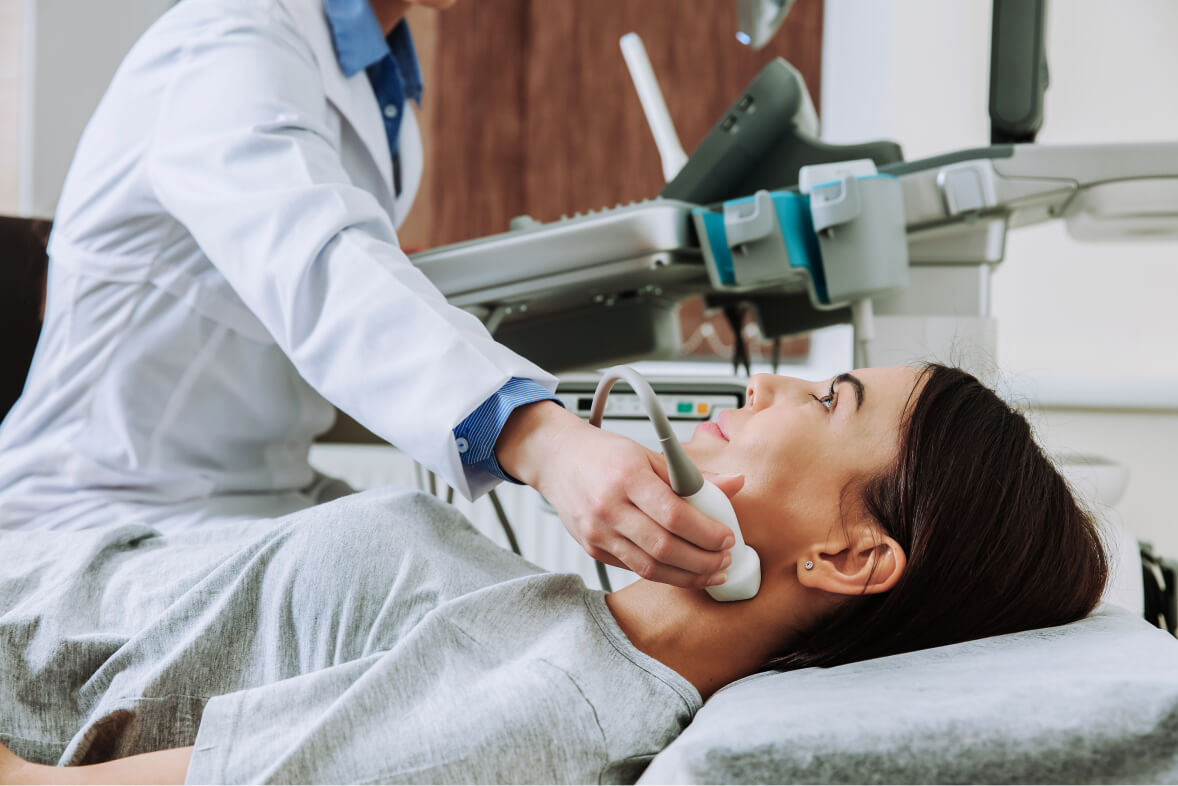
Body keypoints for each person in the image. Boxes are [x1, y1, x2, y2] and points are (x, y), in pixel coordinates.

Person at [0, 365, 1108, 784]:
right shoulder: (573, 633)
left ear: (850, 556)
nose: (768, 384)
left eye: (829, 401)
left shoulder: (538, 722)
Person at [0, 0, 736, 591]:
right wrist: (543, 441)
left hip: (257, 495)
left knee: (464, 573)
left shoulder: (381, 89)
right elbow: (321, 263)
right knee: (436, 593)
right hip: (106, 516)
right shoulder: (227, 41)